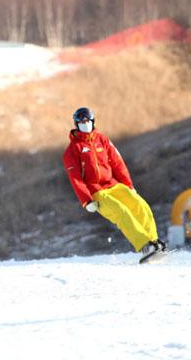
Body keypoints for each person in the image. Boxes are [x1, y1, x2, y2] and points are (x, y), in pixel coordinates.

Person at [62, 107, 166, 263]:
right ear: (76, 124)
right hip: (96, 192)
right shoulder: (72, 150)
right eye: (81, 122)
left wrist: (128, 185)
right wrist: (86, 200)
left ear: (93, 121)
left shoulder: (102, 140)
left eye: (88, 121)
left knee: (140, 205)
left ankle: (154, 242)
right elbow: (75, 177)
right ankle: (145, 246)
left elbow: (117, 164)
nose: (85, 124)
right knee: (121, 212)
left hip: (113, 185)